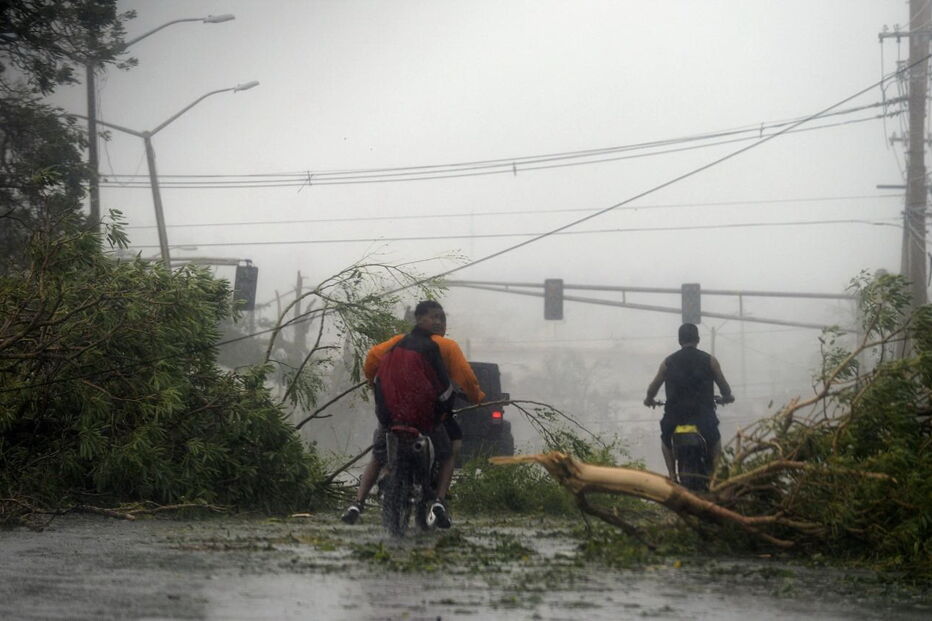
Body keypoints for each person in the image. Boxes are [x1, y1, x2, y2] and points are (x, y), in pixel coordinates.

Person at [341, 300, 485, 528]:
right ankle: (439, 500)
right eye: (434, 317)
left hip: (393, 418)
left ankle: (358, 501)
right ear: (419, 319)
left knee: (379, 456)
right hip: (427, 419)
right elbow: (466, 379)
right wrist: (477, 397)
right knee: (450, 450)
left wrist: (373, 383)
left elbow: (371, 360)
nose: (439, 322)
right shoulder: (446, 346)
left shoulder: (398, 343)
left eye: (442, 318)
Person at [643, 323, 734, 480]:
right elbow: (725, 388)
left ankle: (672, 475)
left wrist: (649, 400)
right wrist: (727, 397)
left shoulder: (667, 363)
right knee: (715, 441)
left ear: (679, 341)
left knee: (665, 440)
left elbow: (652, 388)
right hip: (703, 417)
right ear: (698, 339)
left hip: (675, 418)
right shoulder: (710, 361)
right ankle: (716, 479)